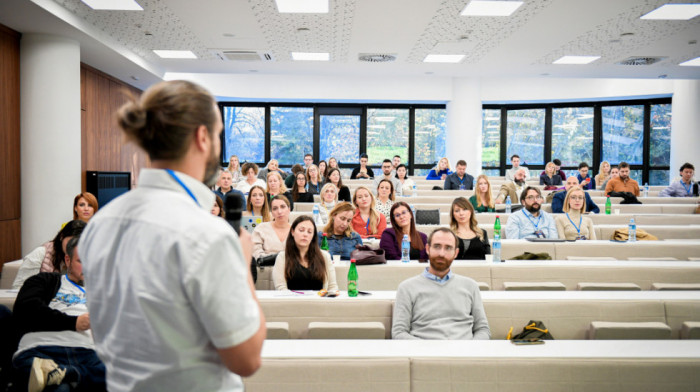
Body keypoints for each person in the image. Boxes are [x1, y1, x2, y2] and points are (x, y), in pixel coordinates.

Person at [79, 80, 265, 392]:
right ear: (202, 137)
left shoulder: (101, 223)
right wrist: (242, 266)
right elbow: (246, 359)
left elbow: (105, 331)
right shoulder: (207, 234)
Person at [12, 236, 107, 392]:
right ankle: (71, 376)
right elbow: (26, 309)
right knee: (56, 386)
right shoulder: (45, 281)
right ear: (68, 260)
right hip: (41, 349)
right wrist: (73, 322)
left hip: (86, 353)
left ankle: (67, 374)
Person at [391, 228, 490, 340]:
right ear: (428, 249)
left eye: (448, 248)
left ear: (456, 253)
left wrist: (468, 350)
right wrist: (429, 351)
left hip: (464, 353)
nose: (441, 253)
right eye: (437, 246)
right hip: (424, 353)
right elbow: (399, 332)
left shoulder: (470, 286)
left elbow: (482, 329)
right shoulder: (406, 288)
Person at [12, 220, 86, 290]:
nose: (73, 247)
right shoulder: (41, 253)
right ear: (62, 237)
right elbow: (18, 288)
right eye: (71, 242)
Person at [272, 216, 339, 292]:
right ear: (292, 232)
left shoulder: (324, 256)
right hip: (291, 302)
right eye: (301, 230)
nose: (305, 234)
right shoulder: (282, 257)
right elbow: (281, 288)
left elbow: (332, 286)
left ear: (313, 236)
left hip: (319, 302)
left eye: (309, 232)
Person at [252, 195, 291, 259]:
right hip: (266, 267)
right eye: (275, 208)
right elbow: (256, 253)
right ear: (272, 213)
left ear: (289, 209)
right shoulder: (261, 228)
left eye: (283, 207)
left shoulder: (296, 230)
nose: (279, 211)